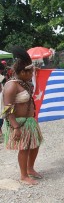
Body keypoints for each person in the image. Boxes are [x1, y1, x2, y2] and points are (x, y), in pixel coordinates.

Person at [2, 46, 43, 185]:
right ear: (22, 72)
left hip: (29, 121)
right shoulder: (11, 86)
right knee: (24, 148)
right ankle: (23, 175)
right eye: (30, 71)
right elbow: (8, 109)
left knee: (35, 145)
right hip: (19, 123)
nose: (32, 73)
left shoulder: (24, 82)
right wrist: (15, 127)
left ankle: (30, 169)